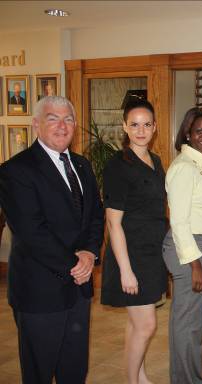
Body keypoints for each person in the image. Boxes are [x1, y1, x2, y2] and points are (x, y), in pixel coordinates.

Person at [0, 96, 104, 383]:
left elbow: (96, 215)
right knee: (39, 373)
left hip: (78, 291)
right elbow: (32, 232)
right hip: (40, 292)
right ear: (36, 125)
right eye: (52, 118)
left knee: (74, 370)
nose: (62, 126)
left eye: (68, 119)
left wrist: (90, 253)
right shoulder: (15, 171)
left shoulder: (82, 166)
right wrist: (76, 264)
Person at [101, 98, 168, 384]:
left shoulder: (155, 161)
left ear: (155, 128)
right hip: (130, 255)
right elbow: (113, 223)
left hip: (152, 254)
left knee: (136, 323)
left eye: (147, 124)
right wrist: (125, 270)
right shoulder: (118, 165)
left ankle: (139, 376)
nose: (141, 130)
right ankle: (132, 381)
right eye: (134, 125)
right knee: (146, 325)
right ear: (124, 127)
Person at [162, 107, 202, 384]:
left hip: (198, 246)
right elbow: (178, 222)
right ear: (188, 133)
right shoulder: (184, 168)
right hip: (188, 250)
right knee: (187, 325)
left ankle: (191, 378)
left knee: (192, 324)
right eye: (200, 131)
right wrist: (195, 264)